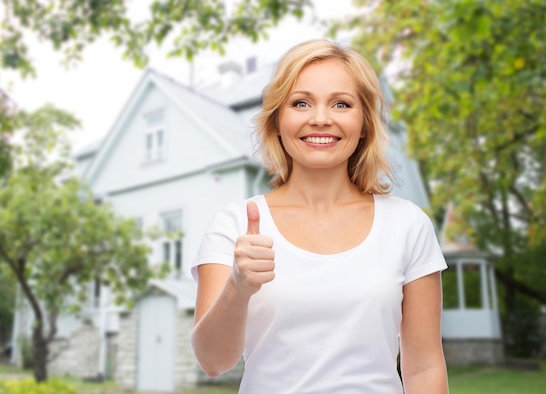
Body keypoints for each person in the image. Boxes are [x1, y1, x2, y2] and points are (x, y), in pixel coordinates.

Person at [190, 39, 448, 393]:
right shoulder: (234, 224)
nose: (321, 119)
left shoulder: (408, 224)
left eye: (341, 104)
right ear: (277, 121)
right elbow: (213, 362)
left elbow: (425, 367)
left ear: (364, 125)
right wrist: (238, 287)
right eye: (301, 103)